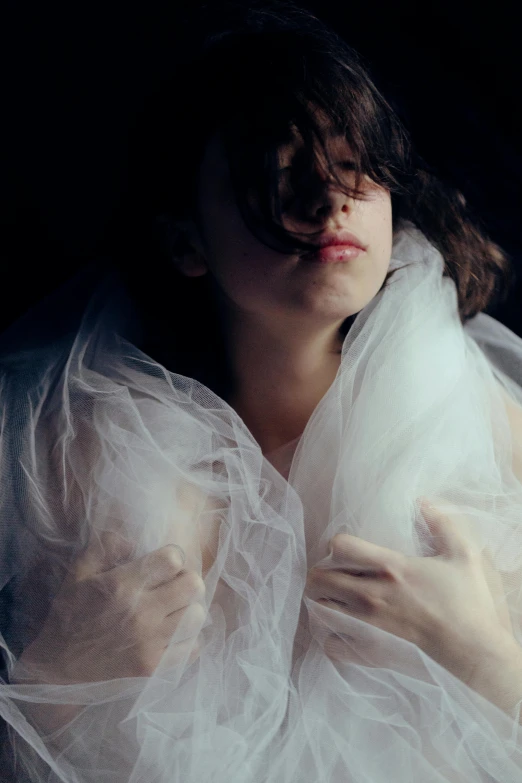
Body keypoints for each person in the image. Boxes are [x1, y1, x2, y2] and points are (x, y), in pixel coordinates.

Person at [2, 2, 522, 781]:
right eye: (274, 171)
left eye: (355, 165)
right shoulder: (84, 450)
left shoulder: (478, 422)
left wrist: (487, 659)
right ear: (186, 242)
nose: (329, 200)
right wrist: (48, 681)